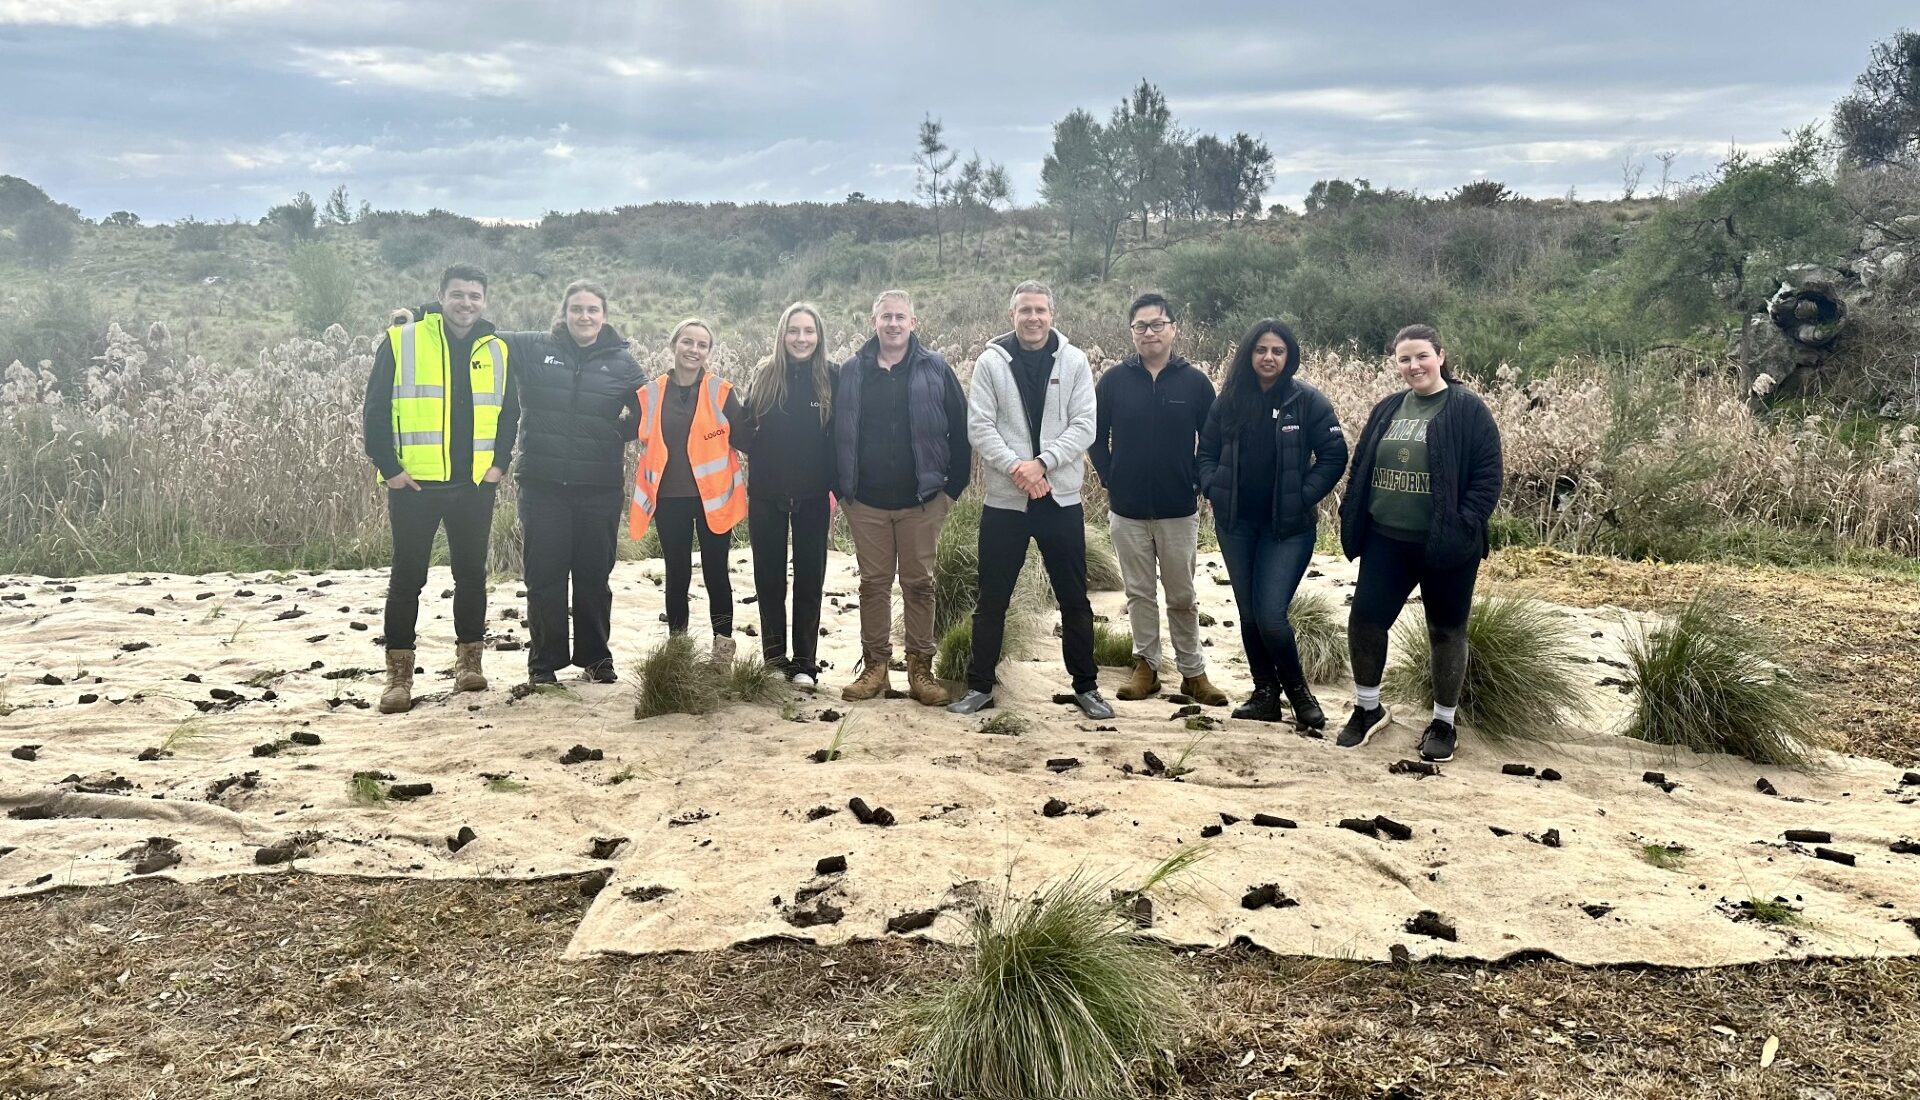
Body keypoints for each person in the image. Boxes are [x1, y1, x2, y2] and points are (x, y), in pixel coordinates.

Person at [1336, 323, 1504, 762]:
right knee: (1366, 622)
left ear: (1441, 356)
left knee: (1446, 631)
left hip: (1446, 544)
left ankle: (1444, 723)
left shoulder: (1467, 408)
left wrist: (1465, 524)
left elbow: (1488, 477)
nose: (1414, 366)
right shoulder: (1389, 408)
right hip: (1386, 540)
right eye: (1404, 359)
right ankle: (1368, 708)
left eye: (1422, 356)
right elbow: (1362, 465)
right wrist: (1352, 512)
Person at [948, 281, 1113, 720]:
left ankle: (1086, 687)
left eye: (1040, 310)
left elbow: (1085, 425)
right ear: (1012, 315)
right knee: (992, 599)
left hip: (1059, 501)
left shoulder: (1075, 362)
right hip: (1006, 503)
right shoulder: (990, 362)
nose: (1033, 318)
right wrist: (1019, 470)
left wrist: (1041, 463)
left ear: (1052, 314)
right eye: (1025, 311)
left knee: (1074, 599)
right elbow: (979, 427)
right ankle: (980, 686)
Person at [364, 263, 518, 714]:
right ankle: (398, 678)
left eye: (474, 295)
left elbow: (510, 412)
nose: (466, 303)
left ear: (484, 300)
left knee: (471, 575)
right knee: (408, 577)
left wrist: (499, 465)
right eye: (458, 294)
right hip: (414, 486)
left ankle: (469, 665)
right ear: (441, 296)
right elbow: (375, 408)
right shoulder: (402, 339)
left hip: (473, 486)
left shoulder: (497, 348)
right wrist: (389, 468)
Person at [1197, 319, 1347, 727]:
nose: (1268, 357)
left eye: (1277, 351)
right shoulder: (1228, 400)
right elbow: (1205, 453)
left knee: (1271, 614)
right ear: (1249, 354)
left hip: (1288, 529)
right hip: (1237, 525)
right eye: (1261, 350)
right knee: (1248, 614)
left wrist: (1301, 495)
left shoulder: (1307, 401)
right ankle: (1265, 694)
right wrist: (1212, 486)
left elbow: (1335, 455)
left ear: (1289, 356)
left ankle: (1299, 694)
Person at [1088, 293, 1226, 708]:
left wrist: (1199, 481)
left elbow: (1214, 441)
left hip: (1178, 509)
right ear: (1132, 332)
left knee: (1182, 595)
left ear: (1173, 329)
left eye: (1157, 324)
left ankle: (1193, 672)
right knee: (1139, 593)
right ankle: (1146, 667)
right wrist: (1111, 476)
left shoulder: (1195, 382)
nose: (1149, 332)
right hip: (1126, 510)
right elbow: (1094, 436)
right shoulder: (1113, 380)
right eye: (1141, 326)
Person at [833, 289, 971, 705]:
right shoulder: (852, 371)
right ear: (874, 322)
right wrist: (843, 490)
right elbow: (834, 432)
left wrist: (951, 491)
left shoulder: (936, 368)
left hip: (923, 501)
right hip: (866, 502)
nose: (893, 324)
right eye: (886, 317)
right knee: (873, 584)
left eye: (900, 317)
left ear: (914, 323)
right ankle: (875, 669)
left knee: (919, 585)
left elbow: (960, 431)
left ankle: (920, 670)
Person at [509, 281, 647, 685]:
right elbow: (479, 335)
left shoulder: (622, 362)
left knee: (592, 576)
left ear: (604, 315)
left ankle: (595, 658)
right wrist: (420, 316)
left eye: (592, 309)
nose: (584, 316)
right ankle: (544, 663)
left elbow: (646, 415)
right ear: (564, 312)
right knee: (544, 576)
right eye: (576, 309)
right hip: (542, 484)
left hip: (598, 488)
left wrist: (607, 434)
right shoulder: (535, 347)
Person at [629, 318, 752, 664]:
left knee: (717, 572)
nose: (693, 350)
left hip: (713, 499)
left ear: (709, 352)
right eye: (687, 342)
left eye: (701, 345)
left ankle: (722, 651)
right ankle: (679, 650)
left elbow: (745, 438)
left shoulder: (721, 392)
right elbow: (623, 429)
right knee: (677, 573)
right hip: (668, 498)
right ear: (673, 346)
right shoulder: (650, 393)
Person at [741, 303, 836, 688]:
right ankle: (774, 660)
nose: (801, 338)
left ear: (818, 336)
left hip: (814, 495)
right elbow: (744, 430)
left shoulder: (833, 377)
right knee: (769, 579)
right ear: (783, 335)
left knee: (810, 579)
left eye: (808, 331)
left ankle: (805, 663)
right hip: (766, 495)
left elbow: (842, 434)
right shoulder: (764, 375)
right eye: (794, 331)